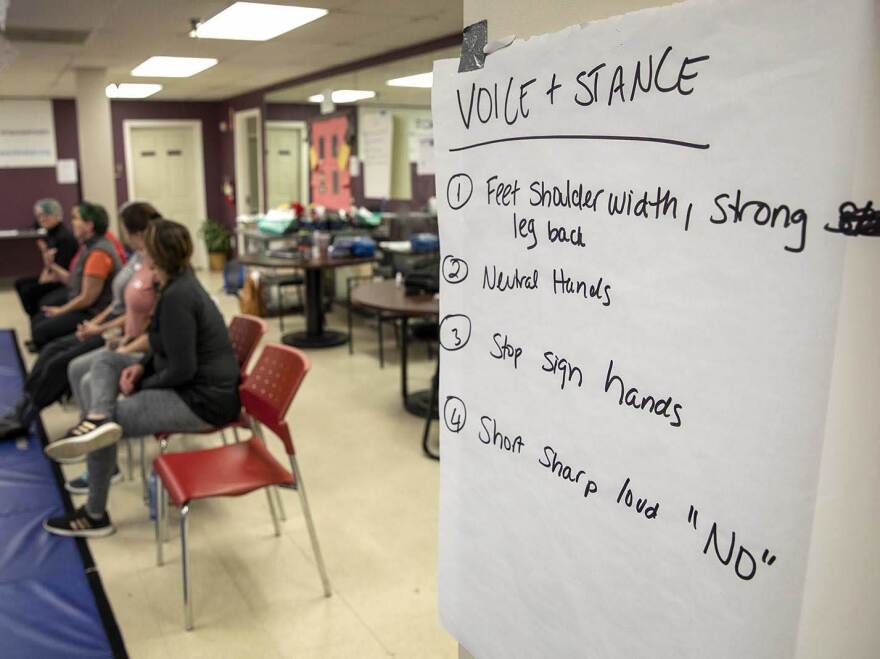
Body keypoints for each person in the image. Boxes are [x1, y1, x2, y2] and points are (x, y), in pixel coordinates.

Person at [42, 219, 241, 537]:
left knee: (113, 423)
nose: (139, 250)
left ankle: (95, 515)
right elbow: (162, 341)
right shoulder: (174, 284)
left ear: (154, 254)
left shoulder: (179, 296)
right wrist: (142, 366)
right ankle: (97, 417)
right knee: (107, 360)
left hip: (202, 401)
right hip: (189, 385)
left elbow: (182, 370)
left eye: (145, 246)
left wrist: (141, 385)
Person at [0, 202, 161, 442]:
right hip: (107, 323)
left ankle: (25, 416)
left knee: (60, 363)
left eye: (76, 218)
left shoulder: (141, 263)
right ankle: (20, 408)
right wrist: (95, 324)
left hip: (119, 332)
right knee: (52, 351)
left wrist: (98, 327)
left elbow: (129, 310)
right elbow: (117, 304)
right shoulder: (136, 258)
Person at [29, 202, 122, 350]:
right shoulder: (88, 246)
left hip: (92, 313)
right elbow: (73, 281)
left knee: (42, 330)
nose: (72, 223)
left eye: (75, 218)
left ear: (89, 225)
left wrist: (61, 310)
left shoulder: (98, 253)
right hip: (82, 304)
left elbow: (87, 298)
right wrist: (51, 264)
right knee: (39, 318)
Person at [14, 198, 79, 316]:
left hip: (63, 278)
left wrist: (46, 274)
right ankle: (34, 317)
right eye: (39, 216)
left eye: (46, 215)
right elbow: (49, 263)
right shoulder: (51, 233)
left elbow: (62, 268)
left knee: (28, 291)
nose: (42, 219)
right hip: (54, 272)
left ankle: (36, 316)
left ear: (57, 215)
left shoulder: (64, 237)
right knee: (19, 283)